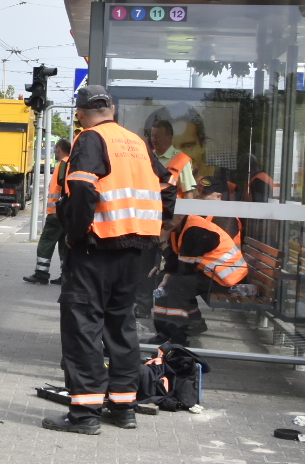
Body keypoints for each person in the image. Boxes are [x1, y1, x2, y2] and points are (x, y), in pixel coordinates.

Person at [44, 85, 175, 434]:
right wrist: (158, 229)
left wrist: (75, 232)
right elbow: (168, 185)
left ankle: (84, 414)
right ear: (112, 108)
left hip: (96, 247)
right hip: (134, 250)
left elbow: (83, 187)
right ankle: (123, 407)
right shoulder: (136, 142)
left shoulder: (90, 139)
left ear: (81, 112)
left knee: (83, 327)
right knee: (121, 327)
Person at [150, 183, 247, 346]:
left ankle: (177, 336)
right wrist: (165, 272)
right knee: (164, 279)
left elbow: (184, 269)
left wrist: (163, 247)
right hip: (212, 273)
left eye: (168, 216)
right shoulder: (179, 228)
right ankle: (164, 332)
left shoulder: (195, 230)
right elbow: (176, 261)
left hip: (227, 279)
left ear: (180, 215)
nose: (164, 222)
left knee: (178, 284)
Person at [24, 138, 72, 285]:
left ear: (58, 149)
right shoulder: (72, 163)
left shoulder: (63, 164)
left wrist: (56, 210)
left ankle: (41, 274)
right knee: (65, 246)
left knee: (46, 243)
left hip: (57, 213)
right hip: (66, 213)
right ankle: (66, 275)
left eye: (55, 150)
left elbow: (61, 188)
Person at [147, 117, 197, 198]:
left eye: (157, 136)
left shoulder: (182, 160)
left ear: (169, 138)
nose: (154, 139)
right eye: (152, 136)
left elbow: (188, 193)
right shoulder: (147, 156)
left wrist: (188, 210)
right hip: (151, 207)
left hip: (172, 208)